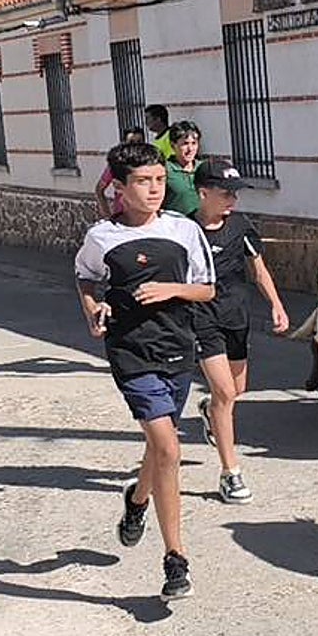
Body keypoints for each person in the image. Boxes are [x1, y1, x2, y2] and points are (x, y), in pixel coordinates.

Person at [73, 141, 215, 601]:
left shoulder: (184, 230)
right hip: (131, 353)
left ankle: (137, 500)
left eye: (159, 180)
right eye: (143, 182)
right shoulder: (101, 237)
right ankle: (176, 560)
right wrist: (94, 309)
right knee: (170, 450)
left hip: (177, 346)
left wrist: (171, 288)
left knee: (160, 446)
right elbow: (86, 277)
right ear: (119, 187)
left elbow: (206, 289)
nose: (155, 189)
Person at [192, 158, 289, 504]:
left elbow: (259, 271)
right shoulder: (187, 231)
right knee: (225, 394)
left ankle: (209, 411)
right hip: (203, 319)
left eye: (235, 193)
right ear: (203, 193)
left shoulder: (241, 227)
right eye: (225, 193)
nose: (232, 199)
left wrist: (276, 305)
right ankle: (230, 474)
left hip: (237, 315)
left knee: (236, 390)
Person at [94, 127, 146, 219]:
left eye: (139, 143)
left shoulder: (150, 165)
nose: (135, 147)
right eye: (131, 143)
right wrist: (107, 216)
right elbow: (99, 189)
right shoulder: (117, 165)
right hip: (123, 215)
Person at [161, 121, 202, 216]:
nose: (190, 149)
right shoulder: (165, 170)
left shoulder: (203, 168)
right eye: (185, 144)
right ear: (173, 145)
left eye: (194, 143)